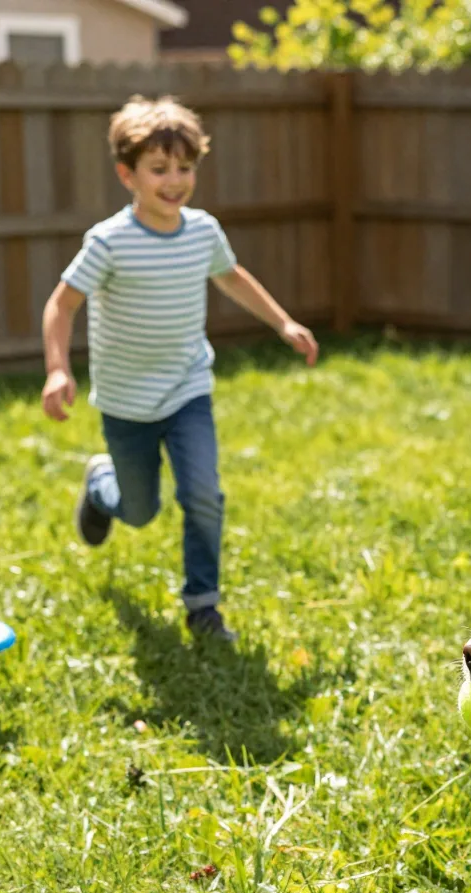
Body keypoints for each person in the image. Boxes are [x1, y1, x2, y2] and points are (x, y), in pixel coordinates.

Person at [40, 96, 317, 643]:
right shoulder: (109, 242)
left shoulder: (202, 232)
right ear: (128, 174)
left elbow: (232, 276)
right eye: (159, 169)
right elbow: (61, 304)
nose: (175, 180)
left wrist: (283, 323)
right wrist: (56, 369)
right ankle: (102, 485)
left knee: (204, 494)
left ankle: (203, 607)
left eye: (184, 168)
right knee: (140, 511)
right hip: (125, 401)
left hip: (188, 388)